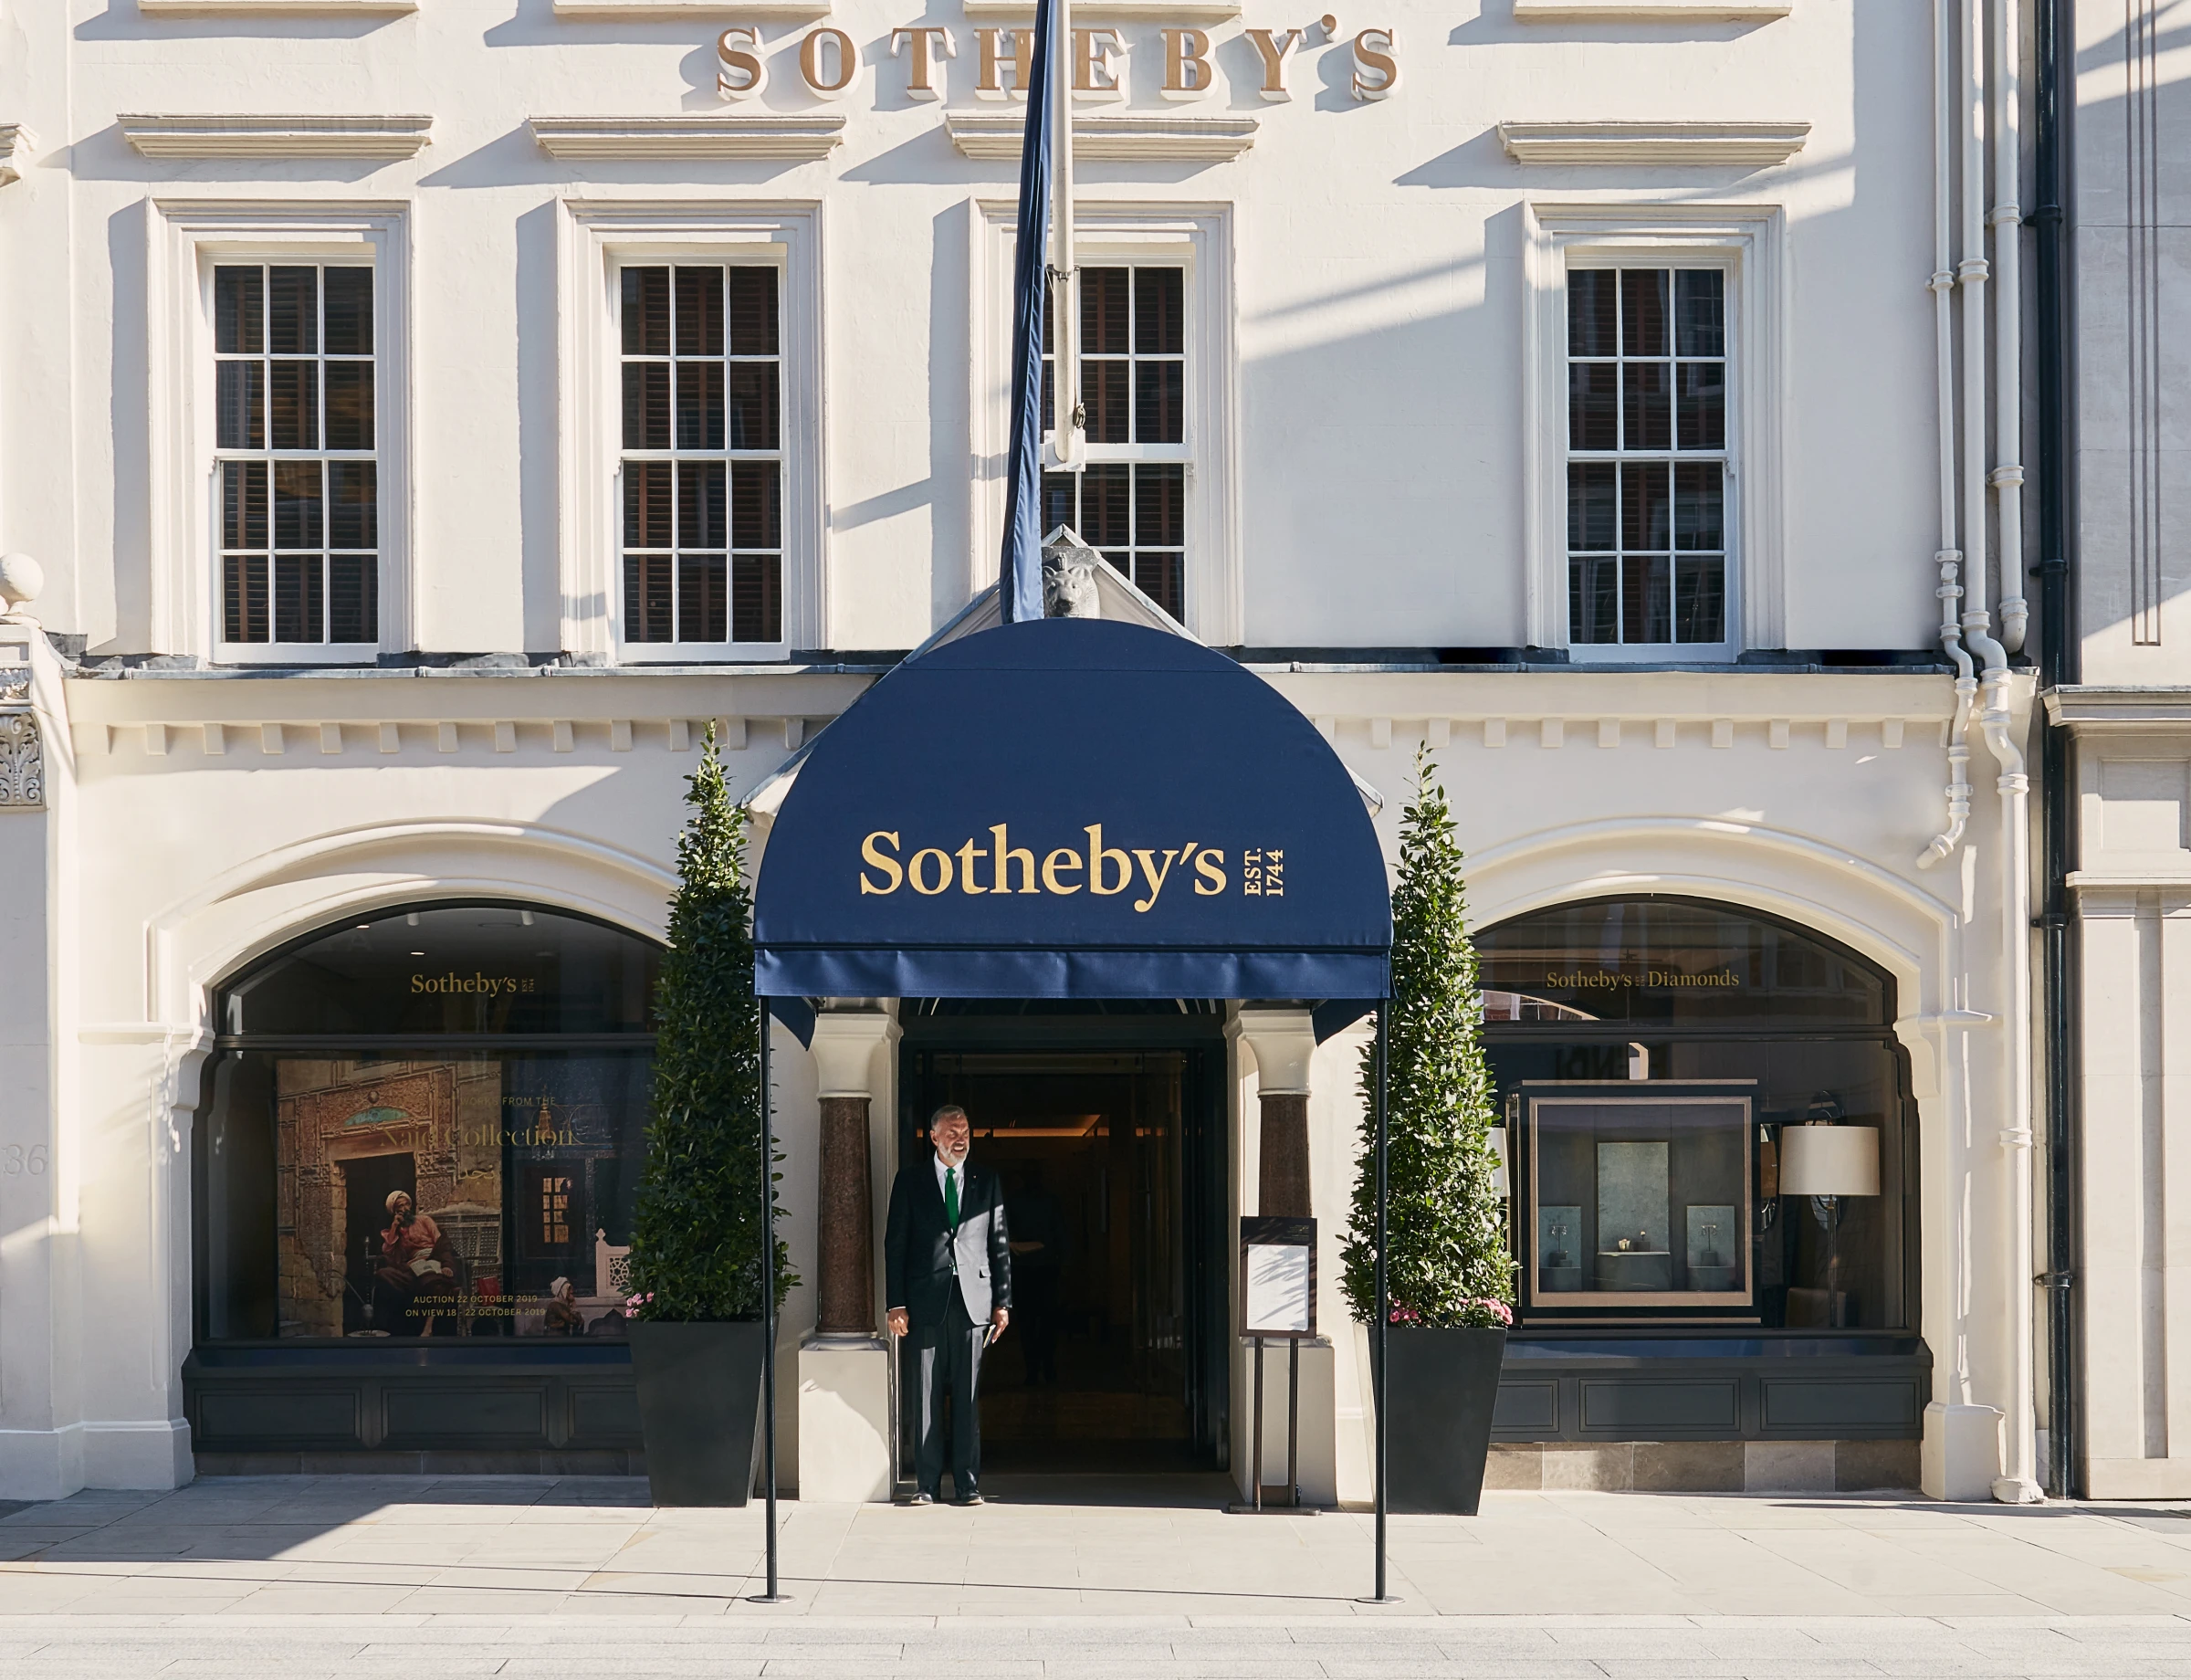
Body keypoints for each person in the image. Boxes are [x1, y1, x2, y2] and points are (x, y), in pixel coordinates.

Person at [885, 1104, 1012, 1506]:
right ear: (935, 1137)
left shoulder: (985, 1180)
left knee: (967, 1397)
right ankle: (925, 1485)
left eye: (966, 1131)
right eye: (953, 1132)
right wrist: (896, 1303)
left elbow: (1000, 1244)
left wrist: (1003, 1302)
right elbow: (896, 1244)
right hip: (924, 1302)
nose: (961, 1138)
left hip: (974, 1303)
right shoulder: (910, 1181)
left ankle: (968, 1484)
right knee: (925, 1397)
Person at [1007, 1167, 1066, 1387]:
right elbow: (1060, 1234)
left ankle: (1034, 1369)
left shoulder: (1016, 1202)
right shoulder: (1050, 1202)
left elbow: (1005, 1232)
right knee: (1045, 1322)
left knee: (1029, 1324)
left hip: (1026, 1267)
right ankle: (1047, 1368)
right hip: (1045, 1267)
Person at [372, 1190, 458, 1338]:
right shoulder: (398, 1231)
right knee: (382, 1274)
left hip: (433, 1260)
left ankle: (428, 1327)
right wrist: (394, 1227)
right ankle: (390, 1330)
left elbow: (442, 1243)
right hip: (411, 1269)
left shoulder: (424, 1220)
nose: (405, 1208)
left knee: (432, 1281)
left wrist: (447, 1265)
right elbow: (388, 1252)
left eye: (407, 1204)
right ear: (395, 1211)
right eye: (401, 1206)